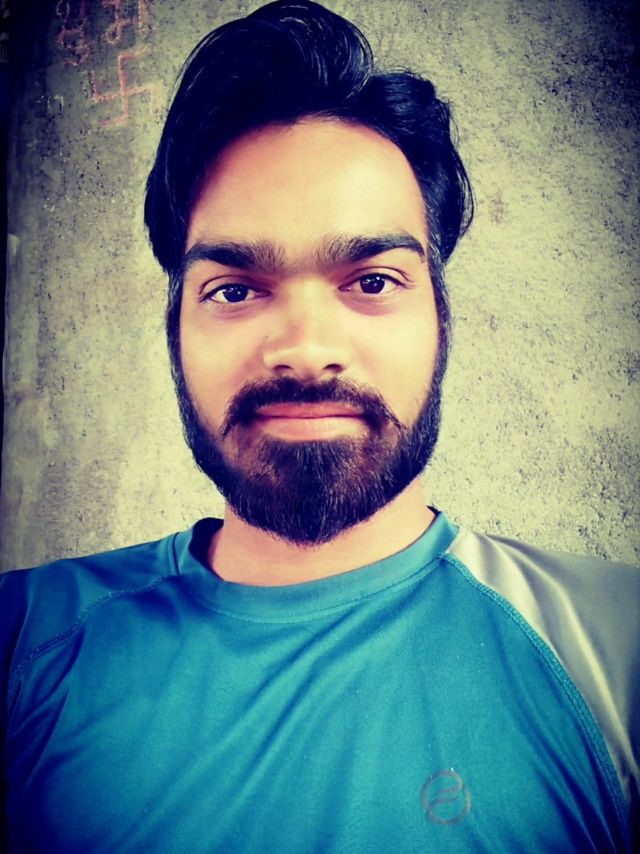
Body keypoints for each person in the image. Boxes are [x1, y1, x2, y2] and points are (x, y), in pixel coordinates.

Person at [1, 1, 637, 850]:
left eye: (372, 281)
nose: (305, 349)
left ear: (442, 319)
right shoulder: (24, 642)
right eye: (234, 289)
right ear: (174, 329)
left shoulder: (617, 654)